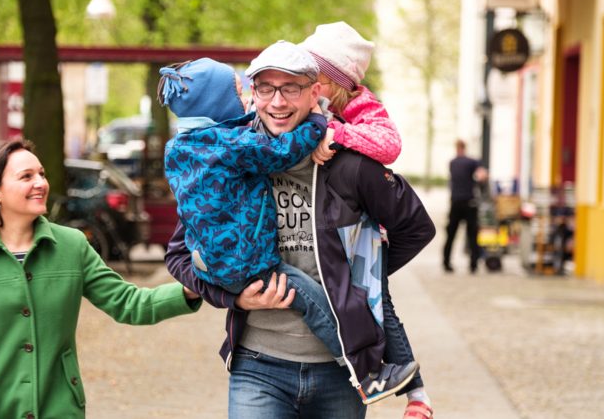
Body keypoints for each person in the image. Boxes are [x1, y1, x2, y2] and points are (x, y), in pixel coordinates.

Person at [165, 41, 436, 419]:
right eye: (266, 88)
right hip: (257, 367)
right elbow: (180, 255)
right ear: (253, 94)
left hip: (340, 375)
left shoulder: (349, 164)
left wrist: (352, 279)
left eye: (290, 88)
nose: (278, 101)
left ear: (314, 93)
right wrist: (234, 299)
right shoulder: (230, 157)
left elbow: (415, 228)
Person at [0, 139, 201, 418]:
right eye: (26, 176)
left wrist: (190, 289)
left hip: (59, 408)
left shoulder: (71, 245)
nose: (40, 183)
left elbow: (128, 303)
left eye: (41, 174)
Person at [302, 21, 433, 417]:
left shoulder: (361, 107)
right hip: (340, 232)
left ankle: (417, 394)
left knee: (379, 304)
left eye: (314, 78)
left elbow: (389, 144)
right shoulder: (312, 106)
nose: (304, 85)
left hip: (363, 233)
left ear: (334, 84)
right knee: (372, 301)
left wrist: (339, 134)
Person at [441, 139, 488, 273]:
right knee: (472, 234)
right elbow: (482, 175)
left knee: (451, 234)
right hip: (470, 202)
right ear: (465, 148)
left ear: (457, 148)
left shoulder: (452, 163)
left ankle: (446, 262)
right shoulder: (472, 161)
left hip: (455, 202)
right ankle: (473, 265)